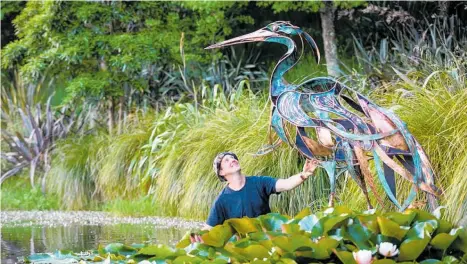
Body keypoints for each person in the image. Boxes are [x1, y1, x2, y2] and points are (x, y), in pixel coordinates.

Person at [206, 151, 319, 228]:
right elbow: (208, 229)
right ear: (221, 172)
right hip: (242, 250)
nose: (232, 160)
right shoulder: (222, 200)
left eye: (233, 158)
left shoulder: (259, 182)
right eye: (226, 160)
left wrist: (304, 174)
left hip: (267, 241)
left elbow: (287, 183)